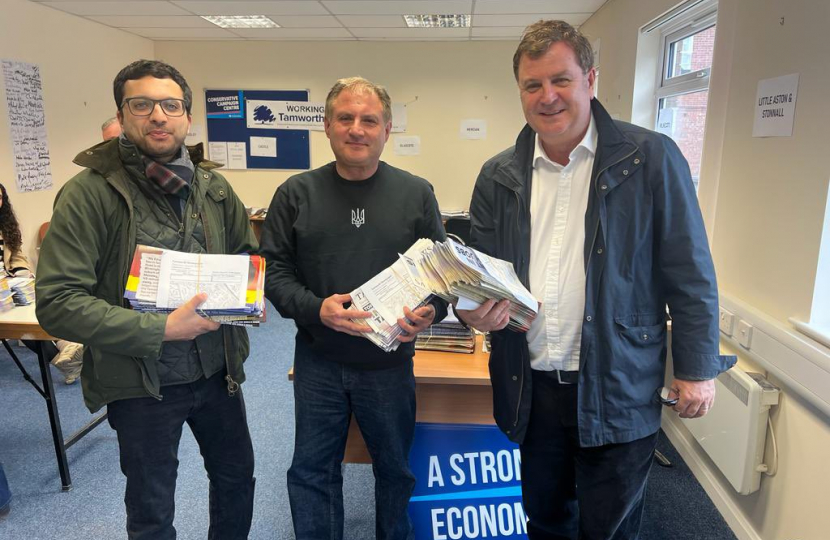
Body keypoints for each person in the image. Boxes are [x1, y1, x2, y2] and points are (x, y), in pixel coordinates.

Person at [455, 20, 736, 540]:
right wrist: (468, 309)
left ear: (590, 78)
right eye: (532, 85)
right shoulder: (498, 175)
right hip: (531, 385)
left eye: (560, 79)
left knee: (610, 528)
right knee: (546, 521)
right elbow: (477, 274)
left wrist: (698, 368)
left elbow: (691, 273)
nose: (547, 96)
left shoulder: (650, 158)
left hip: (617, 382)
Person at [35, 59, 257, 539]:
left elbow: (245, 258)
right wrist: (161, 329)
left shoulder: (213, 187)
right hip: (142, 384)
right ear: (123, 113)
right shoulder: (89, 195)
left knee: (237, 482)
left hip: (218, 374)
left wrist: (244, 294)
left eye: (170, 104)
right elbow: (56, 301)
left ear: (187, 118)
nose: (158, 115)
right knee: (153, 509)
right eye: (142, 104)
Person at [261, 76, 448, 540]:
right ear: (326, 126)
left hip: (388, 362)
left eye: (370, 120)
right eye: (345, 118)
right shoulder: (294, 193)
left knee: (395, 471)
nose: (357, 129)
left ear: (387, 130)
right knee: (312, 471)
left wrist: (431, 312)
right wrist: (314, 309)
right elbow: (275, 272)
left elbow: (443, 276)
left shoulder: (416, 193)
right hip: (318, 362)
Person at [0, 182, 83, 384]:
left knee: (41, 299)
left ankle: (64, 346)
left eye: (0, 197)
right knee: (20, 321)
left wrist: (23, 273)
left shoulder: (5, 224)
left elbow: (16, 255)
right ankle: (64, 353)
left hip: (10, 284)